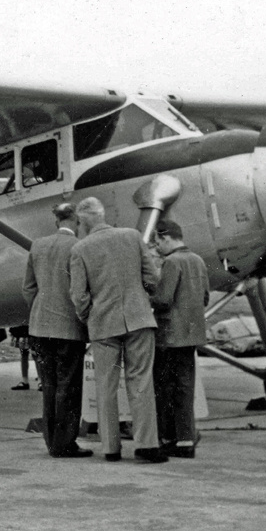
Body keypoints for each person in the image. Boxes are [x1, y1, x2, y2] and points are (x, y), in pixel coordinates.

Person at [69, 197, 166, 463]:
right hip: (138, 319)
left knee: (105, 386)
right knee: (141, 382)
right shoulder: (132, 236)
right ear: (102, 215)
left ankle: (111, 448)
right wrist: (141, 297)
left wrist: (89, 316)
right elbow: (153, 278)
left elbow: (78, 296)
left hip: (103, 324)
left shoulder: (80, 249)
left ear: (82, 221)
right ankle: (147, 445)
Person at [23, 202, 91, 459]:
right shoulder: (78, 247)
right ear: (77, 222)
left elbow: (28, 289)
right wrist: (83, 317)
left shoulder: (37, 245)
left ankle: (51, 441)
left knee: (49, 385)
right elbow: (80, 292)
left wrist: (41, 310)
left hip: (39, 327)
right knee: (69, 387)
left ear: (56, 222)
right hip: (68, 327)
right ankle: (65, 443)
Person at [151, 219, 209, 459]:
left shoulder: (172, 262)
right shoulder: (198, 260)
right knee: (185, 388)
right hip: (191, 334)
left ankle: (169, 438)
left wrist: (146, 297)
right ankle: (186, 440)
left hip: (169, 337)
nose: (157, 248)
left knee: (165, 390)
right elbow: (205, 297)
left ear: (166, 238)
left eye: (158, 242)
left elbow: (163, 299)